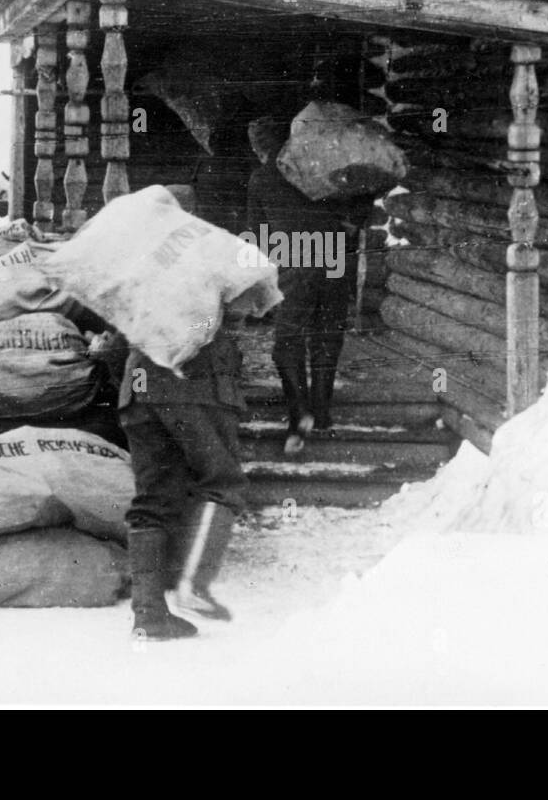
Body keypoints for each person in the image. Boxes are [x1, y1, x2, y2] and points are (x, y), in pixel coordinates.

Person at [117, 186, 249, 640]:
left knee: (153, 498)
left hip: (137, 389)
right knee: (223, 482)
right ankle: (194, 585)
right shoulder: (205, 251)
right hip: (192, 386)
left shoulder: (131, 260)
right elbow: (214, 319)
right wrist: (203, 328)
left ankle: (148, 614)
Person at [245, 118, 374, 455]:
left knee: (287, 342)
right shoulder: (321, 165)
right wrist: (347, 228)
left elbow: (257, 234)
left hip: (296, 263)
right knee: (327, 336)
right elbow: (360, 197)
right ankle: (323, 412)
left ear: (259, 147)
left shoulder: (261, 178)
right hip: (334, 259)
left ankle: (299, 412)